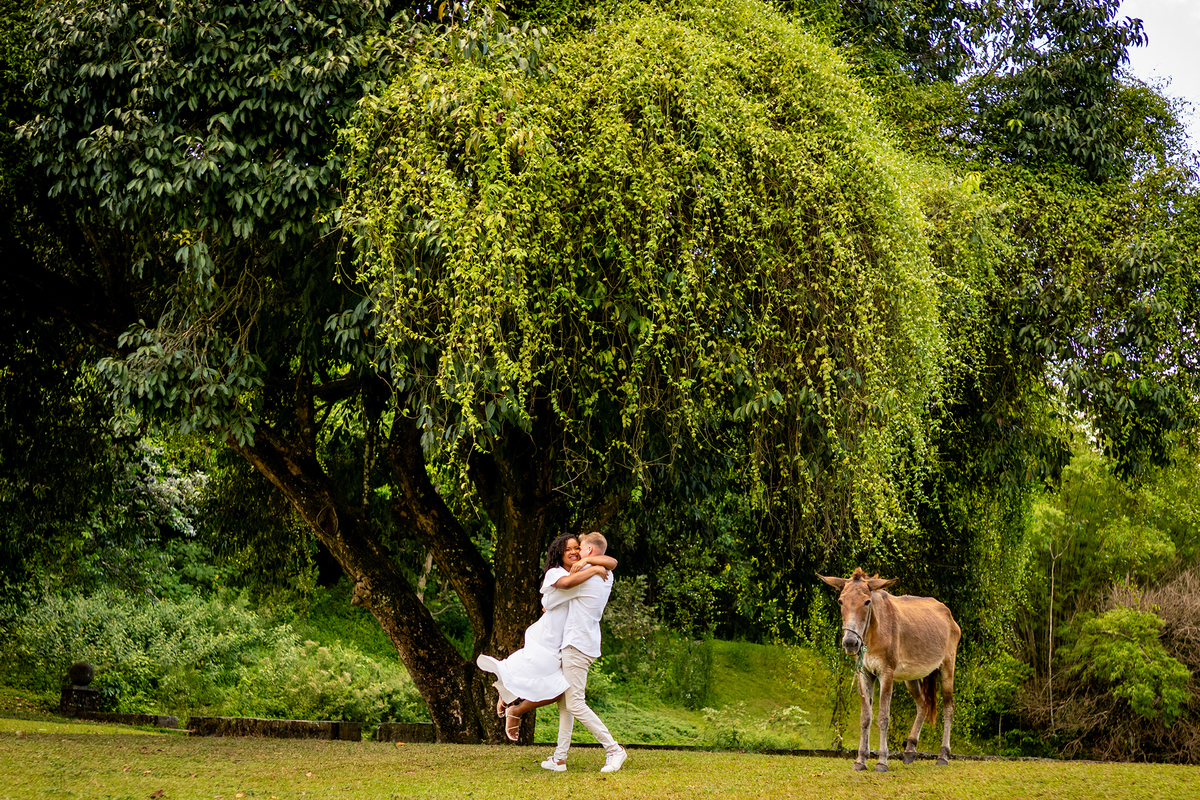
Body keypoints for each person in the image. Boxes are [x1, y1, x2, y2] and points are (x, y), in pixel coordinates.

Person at [475, 533, 616, 741]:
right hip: (549, 636)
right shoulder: (556, 572)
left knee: (559, 691)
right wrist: (595, 568)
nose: (574, 552)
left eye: (577, 547)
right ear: (559, 552)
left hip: (566, 641)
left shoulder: (585, 570)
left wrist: (590, 564)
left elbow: (611, 561)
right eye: (568, 549)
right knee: (532, 673)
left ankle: (516, 709)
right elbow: (565, 587)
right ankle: (508, 699)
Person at [539, 530, 627, 774]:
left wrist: (548, 604)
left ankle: (614, 749)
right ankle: (559, 758)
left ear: (588, 550)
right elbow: (610, 562)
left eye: (580, 549)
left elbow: (551, 600)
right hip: (585, 642)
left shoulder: (585, 577)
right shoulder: (605, 575)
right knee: (566, 704)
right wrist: (590, 563)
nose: (576, 553)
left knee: (575, 703)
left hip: (576, 644)